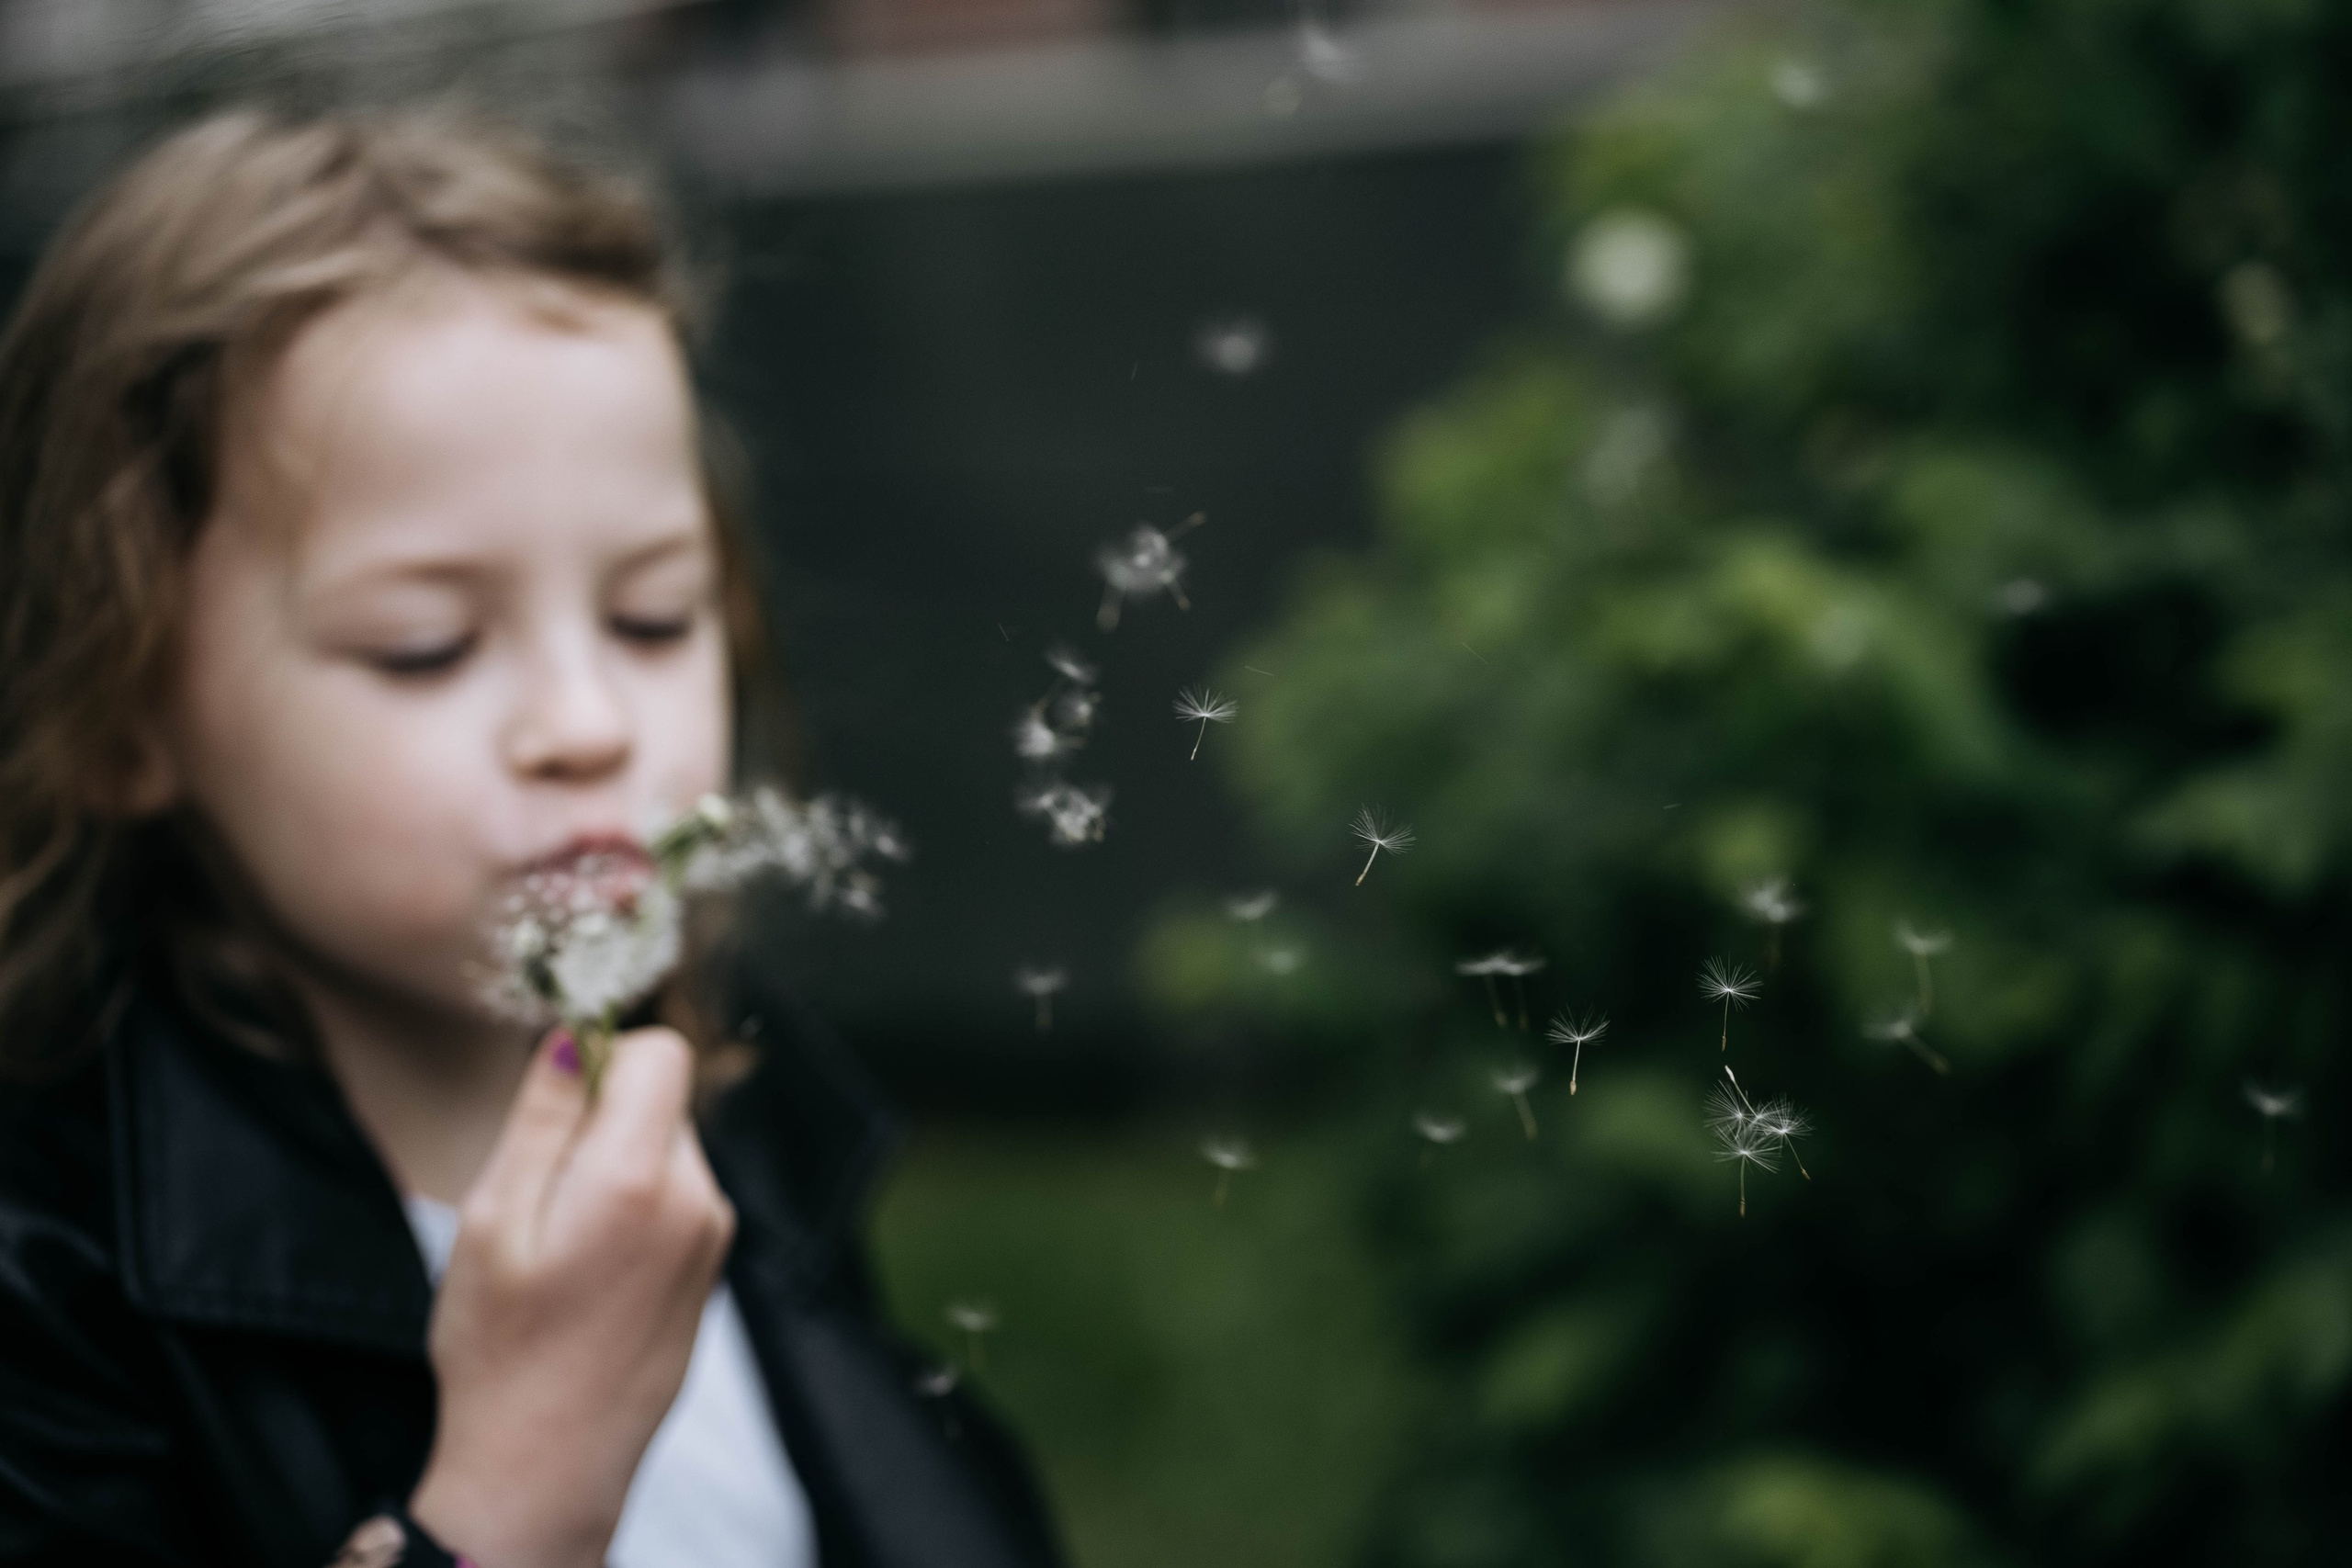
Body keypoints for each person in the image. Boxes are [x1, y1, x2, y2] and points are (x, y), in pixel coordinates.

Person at [0, 108, 1060, 1568]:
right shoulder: (49, 1291)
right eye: (425, 647)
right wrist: (505, 1500)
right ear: (121, 711)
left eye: (652, 618)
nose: (587, 722)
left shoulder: (750, 1109)